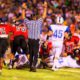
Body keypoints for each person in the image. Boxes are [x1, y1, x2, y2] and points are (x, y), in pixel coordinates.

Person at [22, 1, 47, 72]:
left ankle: (31, 66)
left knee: (31, 53)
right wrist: (45, 8)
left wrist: (23, 9)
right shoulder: (38, 22)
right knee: (36, 54)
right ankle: (33, 66)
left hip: (30, 40)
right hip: (36, 40)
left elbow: (23, 17)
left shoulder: (29, 22)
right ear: (35, 17)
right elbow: (44, 16)